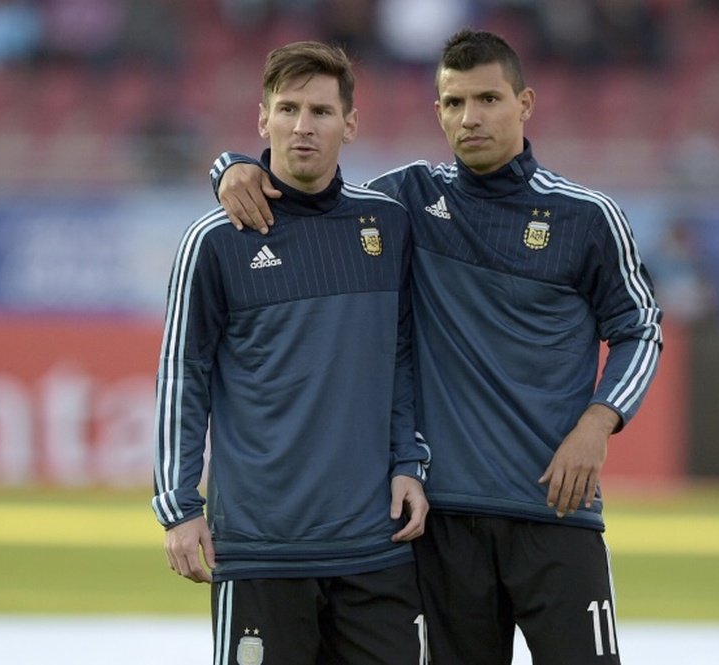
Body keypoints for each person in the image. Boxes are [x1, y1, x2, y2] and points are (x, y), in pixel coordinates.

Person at [209, 29, 662, 664]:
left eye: (488, 99)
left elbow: (641, 326)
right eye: (453, 103)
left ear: (525, 103)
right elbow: (316, 185)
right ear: (437, 111)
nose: (470, 118)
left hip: (556, 511)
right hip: (442, 522)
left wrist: (598, 421)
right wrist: (232, 167)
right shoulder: (409, 202)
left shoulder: (586, 217)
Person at [151, 41, 431, 665]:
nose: (303, 126)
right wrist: (177, 506)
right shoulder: (215, 242)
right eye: (288, 109)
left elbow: (403, 358)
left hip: (374, 547)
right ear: (263, 119)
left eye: (322, 112)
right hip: (261, 550)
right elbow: (183, 376)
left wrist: (411, 460)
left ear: (350, 124)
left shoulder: (388, 225)